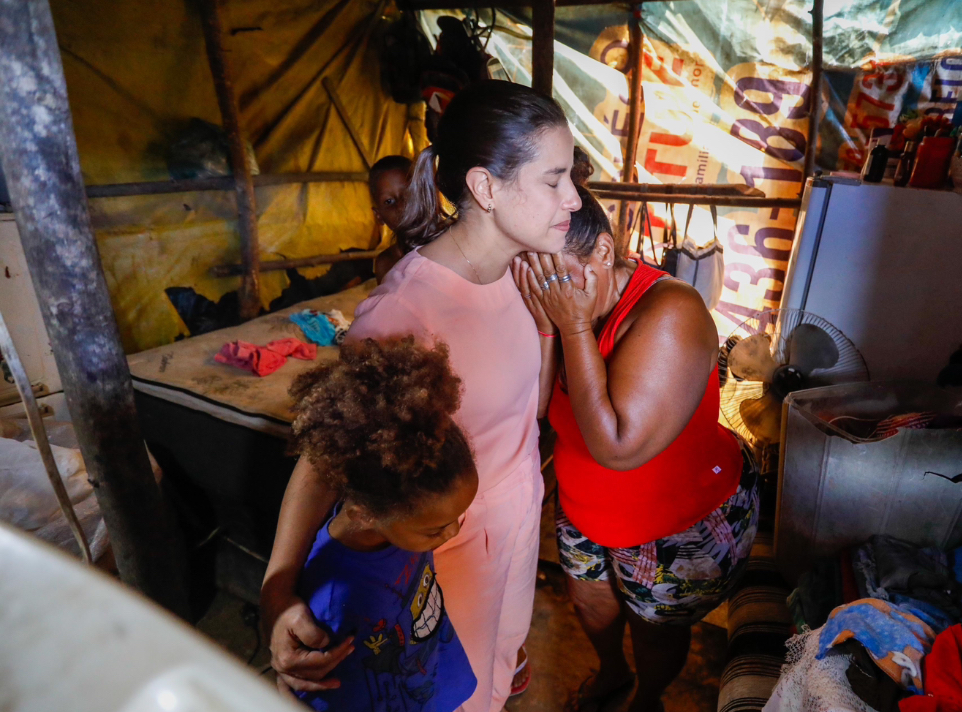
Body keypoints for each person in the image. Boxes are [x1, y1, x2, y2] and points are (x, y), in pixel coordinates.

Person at [260, 79, 582, 712]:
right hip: (442, 555)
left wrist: (554, 323)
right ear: (486, 188)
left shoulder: (518, 273)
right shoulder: (408, 311)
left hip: (514, 530)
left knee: (492, 682)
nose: (572, 197)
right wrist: (278, 588)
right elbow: (327, 461)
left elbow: (522, 413)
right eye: (553, 179)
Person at [511, 185, 759, 712]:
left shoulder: (670, 311)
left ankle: (648, 697)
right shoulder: (561, 310)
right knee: (592, 604)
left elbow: (618, 447)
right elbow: (537, 406)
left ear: (603, 252)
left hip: (673, 524)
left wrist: (573, 324)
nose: (548, 292)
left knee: (655, 627)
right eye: (534, 279)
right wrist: (548, 325)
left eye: (556, 278)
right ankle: (612, 671)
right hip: (584, 510)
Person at [287, 336, 478, 712]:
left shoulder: (399, 530)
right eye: (435, 529)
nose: (453, 532)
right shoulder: (337, 601)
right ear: (363, 514)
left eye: (454, 519)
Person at [369, 155, 412, 282]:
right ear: (379, 216)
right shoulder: (386, 263)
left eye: (409, 194)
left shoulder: (451, 244)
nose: (401, 206)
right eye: (389, 201)